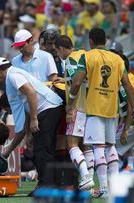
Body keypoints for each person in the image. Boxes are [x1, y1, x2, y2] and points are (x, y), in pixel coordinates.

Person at [66, 28, 134, 198]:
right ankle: (113, 187)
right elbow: (127, 84)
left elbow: (76, 83)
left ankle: (104, 188)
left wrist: (71, 100)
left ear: (90, 41)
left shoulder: (88, 56)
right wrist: (133, 107)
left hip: (94, 109)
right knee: (110, 147)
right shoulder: (117, 59)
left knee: (98, 148)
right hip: (112, 109)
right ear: (105, 40)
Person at [0, 57, 64, 190]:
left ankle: (45, 187)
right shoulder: (13, 77)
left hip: (48, 109)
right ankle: (46, 184)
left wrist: (34, 119)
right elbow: (22, 129)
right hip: (49, 108)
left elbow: (31, 92)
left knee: (42, 150)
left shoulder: (12, 75)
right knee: (42, 149)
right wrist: (9, 150)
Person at [55, 35, 94, 190]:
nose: (59, 55)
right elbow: (83, 78)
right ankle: (91, 181)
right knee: (86, 146)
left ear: (62, 48)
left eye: (57, 52)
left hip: (78, 107)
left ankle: (85, 176)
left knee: (71, 145)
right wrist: (65, 80)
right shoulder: (84, 55)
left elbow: (76, 84)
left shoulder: (70, 60)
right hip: (91, 107)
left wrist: (70, 108)